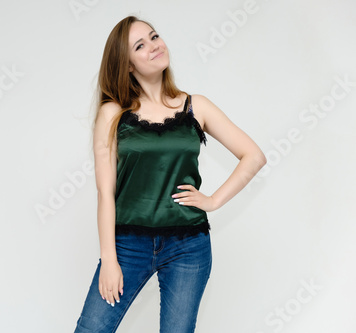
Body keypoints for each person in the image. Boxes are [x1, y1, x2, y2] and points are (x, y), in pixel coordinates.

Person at [74, 16, 266, 333]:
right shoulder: (113, 114)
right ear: (128, 65)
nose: (154, 46)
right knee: (91, 329)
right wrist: (109, 259)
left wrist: (214, 200)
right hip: (127, 245)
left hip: (188, 246)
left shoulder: (197, 106)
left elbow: (254, 156)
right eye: (140, 45)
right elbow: (105, 193)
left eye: (154, 36)